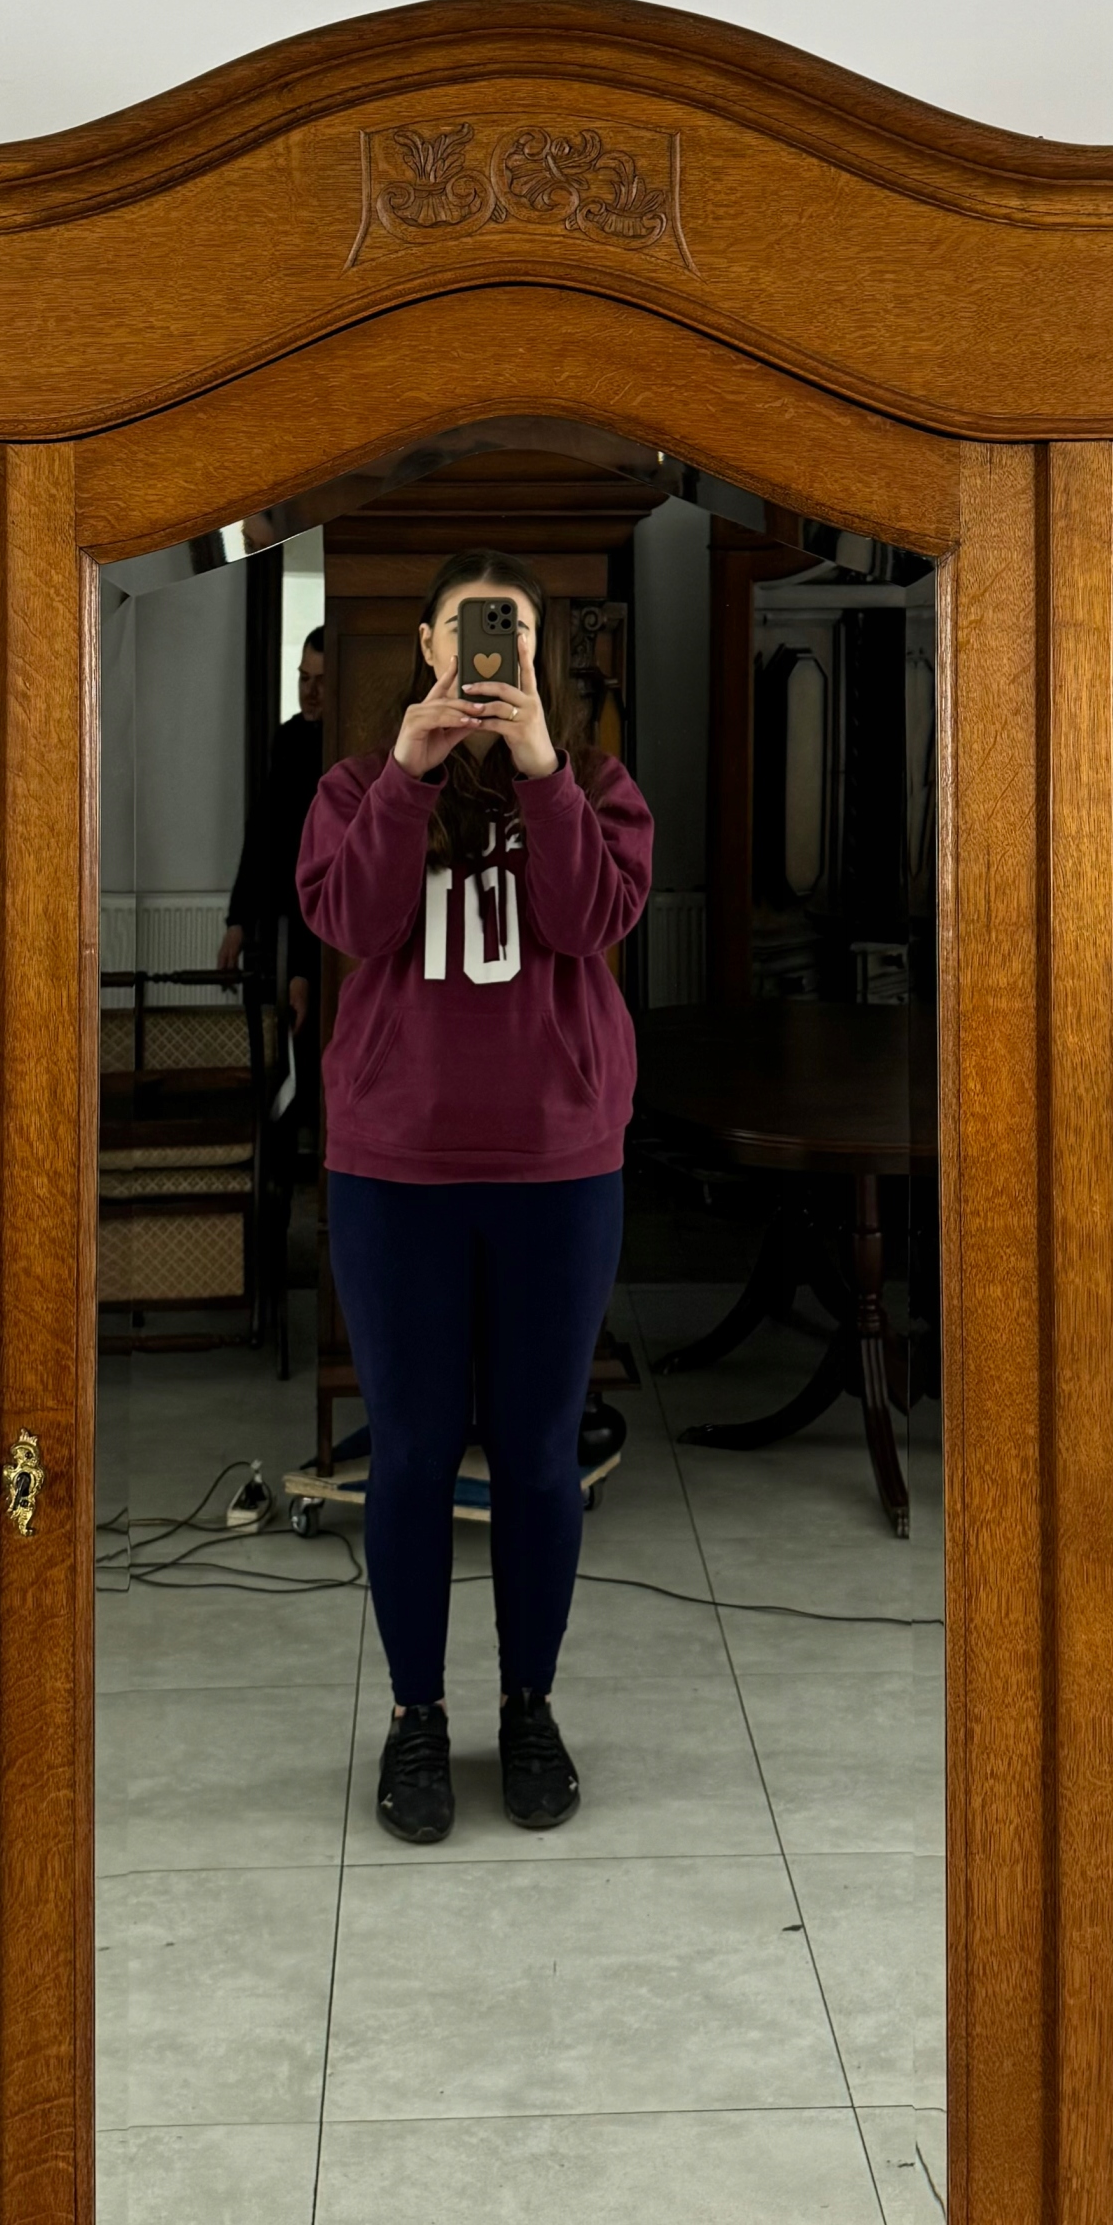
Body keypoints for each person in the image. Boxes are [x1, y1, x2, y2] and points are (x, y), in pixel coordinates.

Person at [296, 549, 653, 1843]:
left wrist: (545, 770)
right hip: (396, 1170)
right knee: (408, 1452)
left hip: (559, 1167)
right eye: (463, 631)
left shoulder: (598, 788)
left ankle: (528, 1705)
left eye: (508, 632)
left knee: (541, 1455)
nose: (485, 652)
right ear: (428, 650)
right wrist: (407, 772)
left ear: (536, 652)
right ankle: (415, 1716)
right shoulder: (353, 788)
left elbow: (588, 921)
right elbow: (352, 921)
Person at [218, 624, 326, 1036]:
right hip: (286, 917)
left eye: (321, 681)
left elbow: (318, 857)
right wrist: (238, 921)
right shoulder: (288, 738)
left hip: (326, 929)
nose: (310, 692)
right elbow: (264, 833)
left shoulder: (344, 743)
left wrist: (303, 968)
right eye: (303, 678)